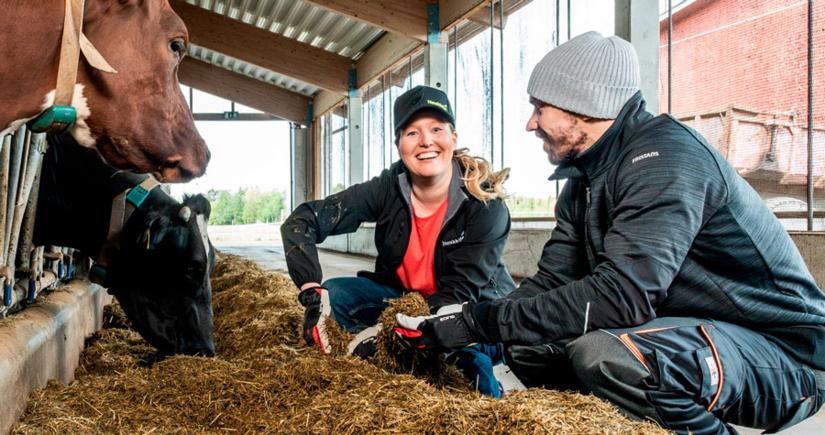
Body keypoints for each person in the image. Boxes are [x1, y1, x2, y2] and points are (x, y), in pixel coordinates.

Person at [396, 32, 825, 434]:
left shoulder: (665, 159)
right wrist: (463, 321)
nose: (531, 124)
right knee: (527, 343)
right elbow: (550, 282)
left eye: (539, 107)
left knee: (606, 356)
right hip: (693, 332)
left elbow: (622, 296)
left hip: (785, 354)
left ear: (580, 105)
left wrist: (480, 322)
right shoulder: (584, 179)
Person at [281, 85, 516, 397]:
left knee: (463, 362)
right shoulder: (388, 189)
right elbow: (301, 222)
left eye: (436, 129)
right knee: (336, 294)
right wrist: (310, 290)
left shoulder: (484, 204)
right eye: (412, 133)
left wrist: (388, 331)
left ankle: (475, 374)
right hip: (406, 300)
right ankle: (391, 354)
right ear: (399, 146)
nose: (426, 141)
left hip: (472, 315)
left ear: (453, 138)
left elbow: (459, 294)